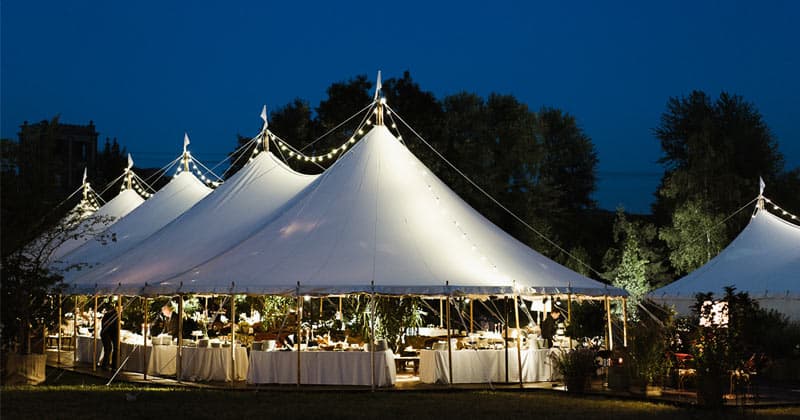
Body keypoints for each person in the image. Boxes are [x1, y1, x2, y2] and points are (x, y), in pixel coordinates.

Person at [99, 302, 119, 370]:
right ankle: (106, 365)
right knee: (108, 348)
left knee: (115, 348)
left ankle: (113, 366)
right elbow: (107, 325)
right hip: (106, 333)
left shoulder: (116, 314)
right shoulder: (111, 314)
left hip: (112, 333)